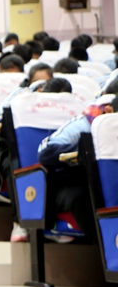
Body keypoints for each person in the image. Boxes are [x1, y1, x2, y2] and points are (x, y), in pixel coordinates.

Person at [36, 92, 118, 242]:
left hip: (108, 184)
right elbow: (46, 154)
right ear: (108, 110)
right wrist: (89, 148)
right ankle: (109, 247)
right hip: (77, 183)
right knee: (82, 198)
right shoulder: (83, 124)